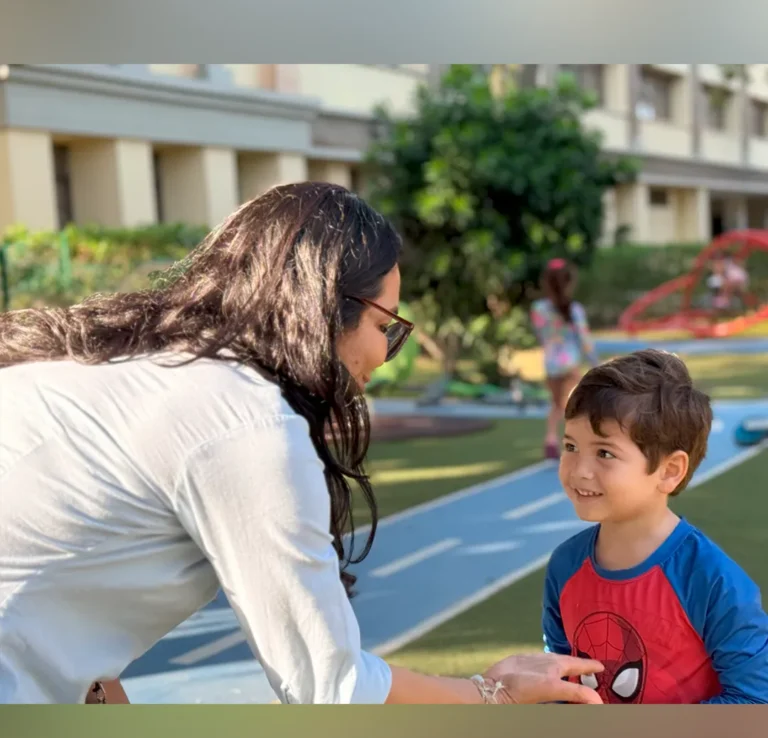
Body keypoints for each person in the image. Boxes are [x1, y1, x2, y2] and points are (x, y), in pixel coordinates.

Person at [0, 181, 604, 705]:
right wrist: (489, 693)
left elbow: (54, 587)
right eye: (383, 326)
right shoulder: (243, 420)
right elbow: (334, 691)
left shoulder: (139, 367)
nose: (381, 357)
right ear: (321, 307)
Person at [541, 349, 768, 704]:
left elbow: (755, 700)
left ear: (669, 471)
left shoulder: (711, 579)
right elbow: (558, 681)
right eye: (571, 446)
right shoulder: (565, 566)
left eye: (604, 453)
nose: (579, 470)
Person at [530, 258, 599, 460]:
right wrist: (594, 363)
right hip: (570, 362)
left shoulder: (538, 309)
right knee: (572, 405)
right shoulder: (574, 310)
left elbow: (541, 333)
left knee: (556, 404)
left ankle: (550, 439)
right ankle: (573, 443)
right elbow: (584, 339)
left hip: (551, 362)